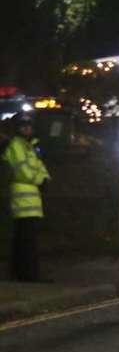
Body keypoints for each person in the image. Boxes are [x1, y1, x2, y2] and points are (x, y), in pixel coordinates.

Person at [4, 113, 50, 281]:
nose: (27, 129)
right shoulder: (17, 146)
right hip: (22, 198)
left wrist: (45, 178)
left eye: (29, 126)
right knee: (26, 241)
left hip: (31, 199)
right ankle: (28, 275)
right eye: (23, 126)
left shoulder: (29, 146)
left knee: (24, 239)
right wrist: (40, 180)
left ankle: (21, 273)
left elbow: (39, 166)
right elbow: (22, 171)